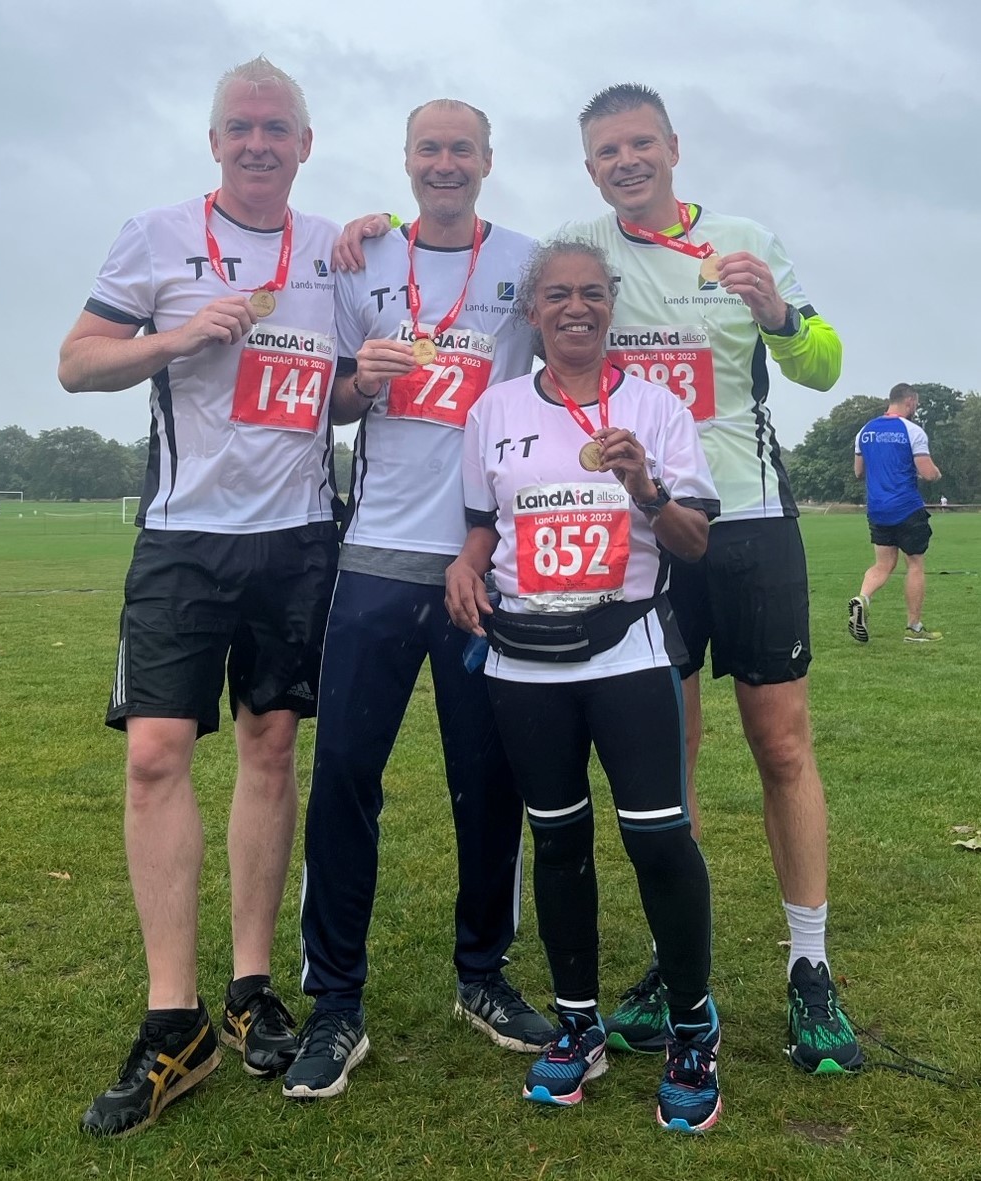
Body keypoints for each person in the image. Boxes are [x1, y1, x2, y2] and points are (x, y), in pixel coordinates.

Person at [58, 56, 341, 1136]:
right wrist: (176, 336)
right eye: (241, 127)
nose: (260, 142)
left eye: (278, 127)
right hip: (182, 538)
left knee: (271, 750)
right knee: (154, 753)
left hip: (297, 539)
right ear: (214, 142)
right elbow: (77, 362)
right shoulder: (154, 235)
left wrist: (378, 378)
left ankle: (251, 986)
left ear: (304, 145)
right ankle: (170, 1015)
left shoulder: (333, 249)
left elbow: (343, 384)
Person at [560, 84, 863, 1074]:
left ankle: (809, 971)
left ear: (673, 148)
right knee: (666, 759)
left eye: (640, 142)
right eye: (607, 149)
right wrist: (379, 227)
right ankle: (670, 963)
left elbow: (821, 363)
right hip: (653, 532)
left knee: (780, 742)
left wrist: (774, 309)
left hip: (754, 524)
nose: (626, 160)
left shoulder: (741, 240)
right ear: (590, 163)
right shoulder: (580, 255)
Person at [282, 99, 551, 1103]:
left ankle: (482, 977)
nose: (445, 163)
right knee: (346, 776)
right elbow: (332, 396)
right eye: (428, 148)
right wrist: (361, 376)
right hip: (378, 556)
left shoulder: (525, 261)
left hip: (486, 561)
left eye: (461, 149)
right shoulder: (364, 260)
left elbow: (566, 359)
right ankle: (334, 1001)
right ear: (405, 161)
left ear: (487, 160)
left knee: (490, 785)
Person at [446, 239, 722, 1130]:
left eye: (592, 293)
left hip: (629, 652)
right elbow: (487, 526)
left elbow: (693, 543)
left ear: (612, 304)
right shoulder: (492, 411)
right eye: (558, 294)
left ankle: (690, 1028)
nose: (576, 307)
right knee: (558, 843)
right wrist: (465, 559)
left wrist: (644, 483)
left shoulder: (657, 408)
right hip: (523, 661)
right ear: (534, 310)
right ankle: (576, 1024)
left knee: (658, 842)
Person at [848, 383, 943, 643]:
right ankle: (914, 628)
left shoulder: (864, 431)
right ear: (910, 401)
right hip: (907, 508)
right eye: (917, 404)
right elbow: (927, 472)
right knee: (914, 564)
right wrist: (936, 474)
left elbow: (858, 472)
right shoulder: (913, 431)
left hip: (877, 510)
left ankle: (862, 598)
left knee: (883, 565)